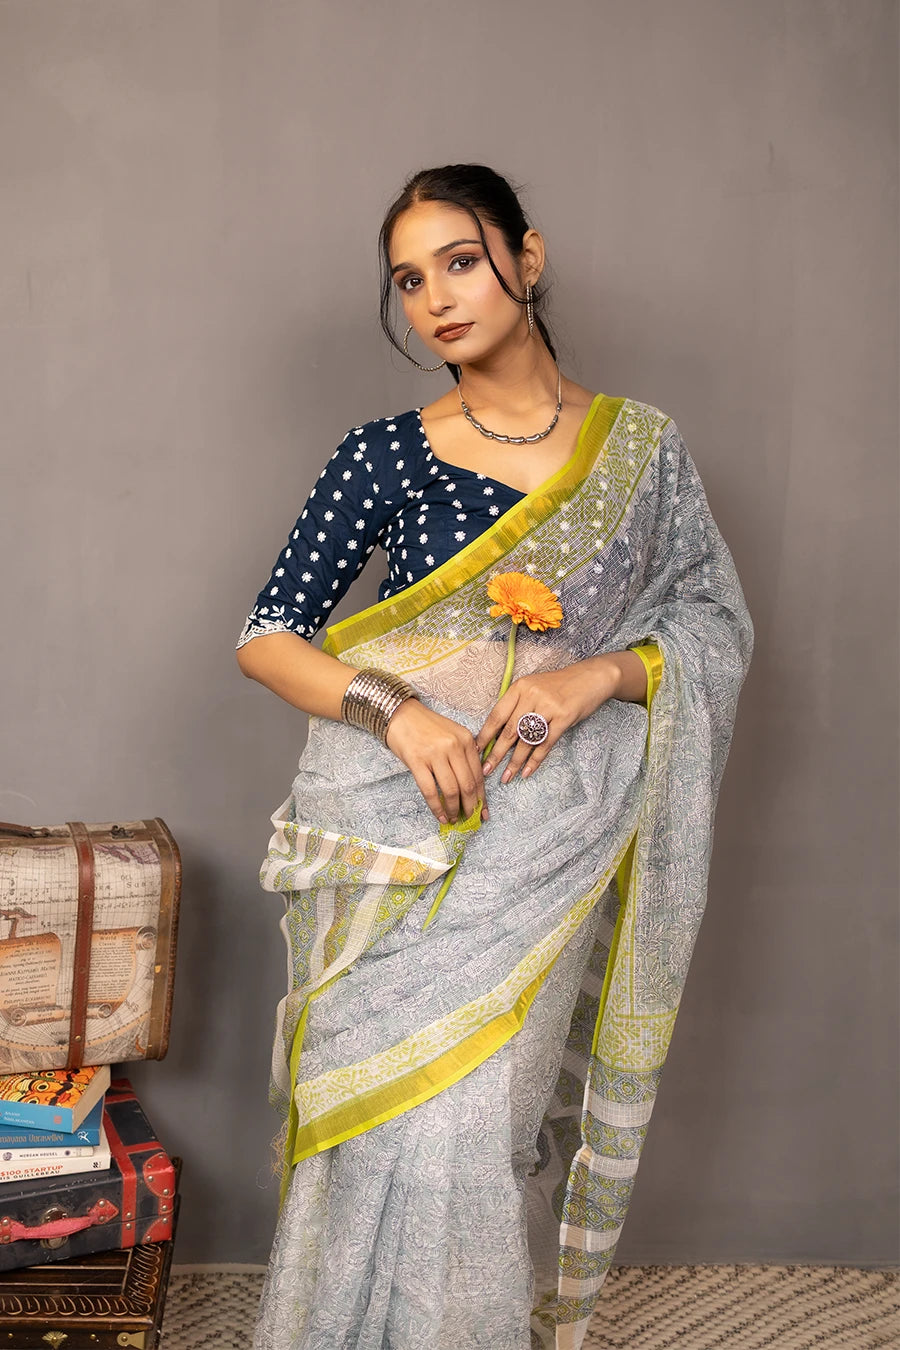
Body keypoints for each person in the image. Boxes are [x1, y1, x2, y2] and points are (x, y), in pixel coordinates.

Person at [236, 164, 753, 1350]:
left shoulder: (644, 450)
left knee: (480, 1128)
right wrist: (396, 713)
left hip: (550, 836)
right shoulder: (386, 454)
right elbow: (268, 636)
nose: (435, 299)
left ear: (527, 256)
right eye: (409, 280)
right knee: (377, 1119)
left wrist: (593, 676)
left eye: (460, 262)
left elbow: (712, 624)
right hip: (394, 830)